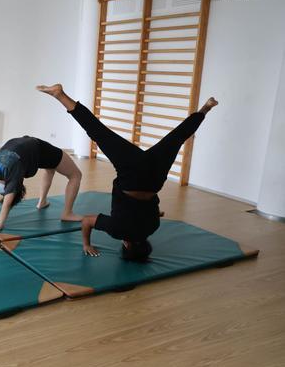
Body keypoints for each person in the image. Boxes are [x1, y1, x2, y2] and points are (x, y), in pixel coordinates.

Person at [37, 83, 219, 262]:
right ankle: (60, 95)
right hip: (131, 173)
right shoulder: (118, 230)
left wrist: (154, 213)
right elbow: (86, 221)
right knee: (98, 132)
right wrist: (86, 245)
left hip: (155, 176)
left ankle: (206, 107)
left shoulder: (152, 227)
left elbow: (155, 212)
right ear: (126, 245)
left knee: (178, 137)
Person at [0, 135, 83, 231]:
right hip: (26, 147)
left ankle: (67, 213)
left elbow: (7, 203)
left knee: (76, 175)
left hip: (39, 148)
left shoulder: (12, 173)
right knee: (50, 167)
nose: (3, 194)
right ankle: (42, 202)